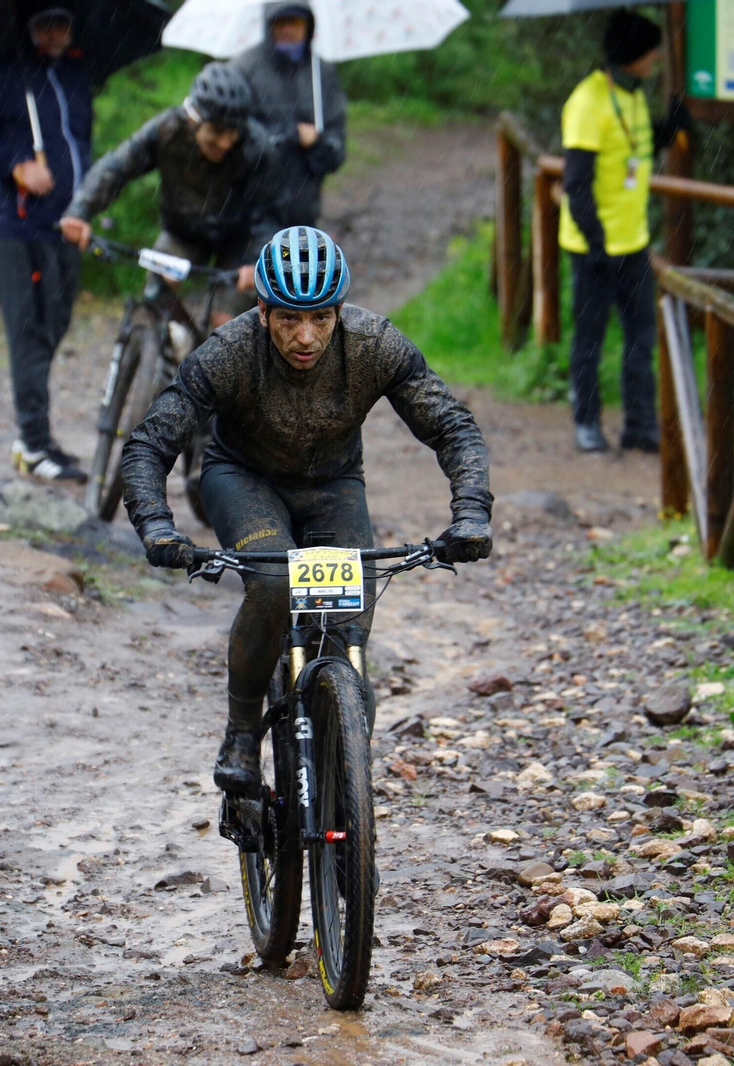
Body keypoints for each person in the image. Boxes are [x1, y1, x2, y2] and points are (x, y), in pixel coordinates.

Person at [120, 227, 493, 793]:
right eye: (289, 318)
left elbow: (453, 428)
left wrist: (470, 513)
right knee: (273, 579)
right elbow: (150, 443)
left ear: (339, 311)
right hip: (242, 479)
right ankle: (242, 732)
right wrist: (156, 524)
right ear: (263, 309)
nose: (306, 336)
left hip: (333, 484)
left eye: (321, 318)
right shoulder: (229, 352)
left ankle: (343, 778)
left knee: (346, 628)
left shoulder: (373, 345)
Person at [0, 4, 93, 484]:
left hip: (66, 227)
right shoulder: (5, 78)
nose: (55, 32)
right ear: (28, 28)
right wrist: (16, 164)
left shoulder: (75, 76)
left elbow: (81, 146)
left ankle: (34, 436)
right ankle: (33, 443)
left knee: (54, 326)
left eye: (62, 22)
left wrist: (87, 205)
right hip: (13, 231)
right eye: (45, 23)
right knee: (29, 335)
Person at [58, 63, 279, 333]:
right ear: (194, 119)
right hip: (183, 232)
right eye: (217, 132)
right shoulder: (167, 131)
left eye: (233, 131)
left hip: (239, 243)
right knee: (155, 299)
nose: (225, 142)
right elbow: (116, 168)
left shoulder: (258, 148)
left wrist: (256, 262)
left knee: (226, 323)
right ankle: (164, 356)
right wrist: (79, 212)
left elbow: (269, 214)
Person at [559, 9, 691, 455]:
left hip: (634, 243)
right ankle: (587, 422)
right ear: (632, 54)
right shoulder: (586, 102)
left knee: (641, 338)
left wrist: (669, 129)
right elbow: (576, 182)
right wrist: (596, 242)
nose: (656, 57)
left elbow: (633, 147)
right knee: (590, 337)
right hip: (593, 246)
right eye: (651, 50)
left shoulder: (633, 94)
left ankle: (640, 425)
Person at [228, 3, 346, 228]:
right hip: (249, 212)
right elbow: (234, 137)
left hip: (303, 212)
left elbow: (336, 151)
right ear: (267, 25)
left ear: (309, 26)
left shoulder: (322, 75)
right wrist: (290, 134)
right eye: (279, 22)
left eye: (295, 22)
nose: (287, 29)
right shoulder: (244, 69)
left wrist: (318, 143)